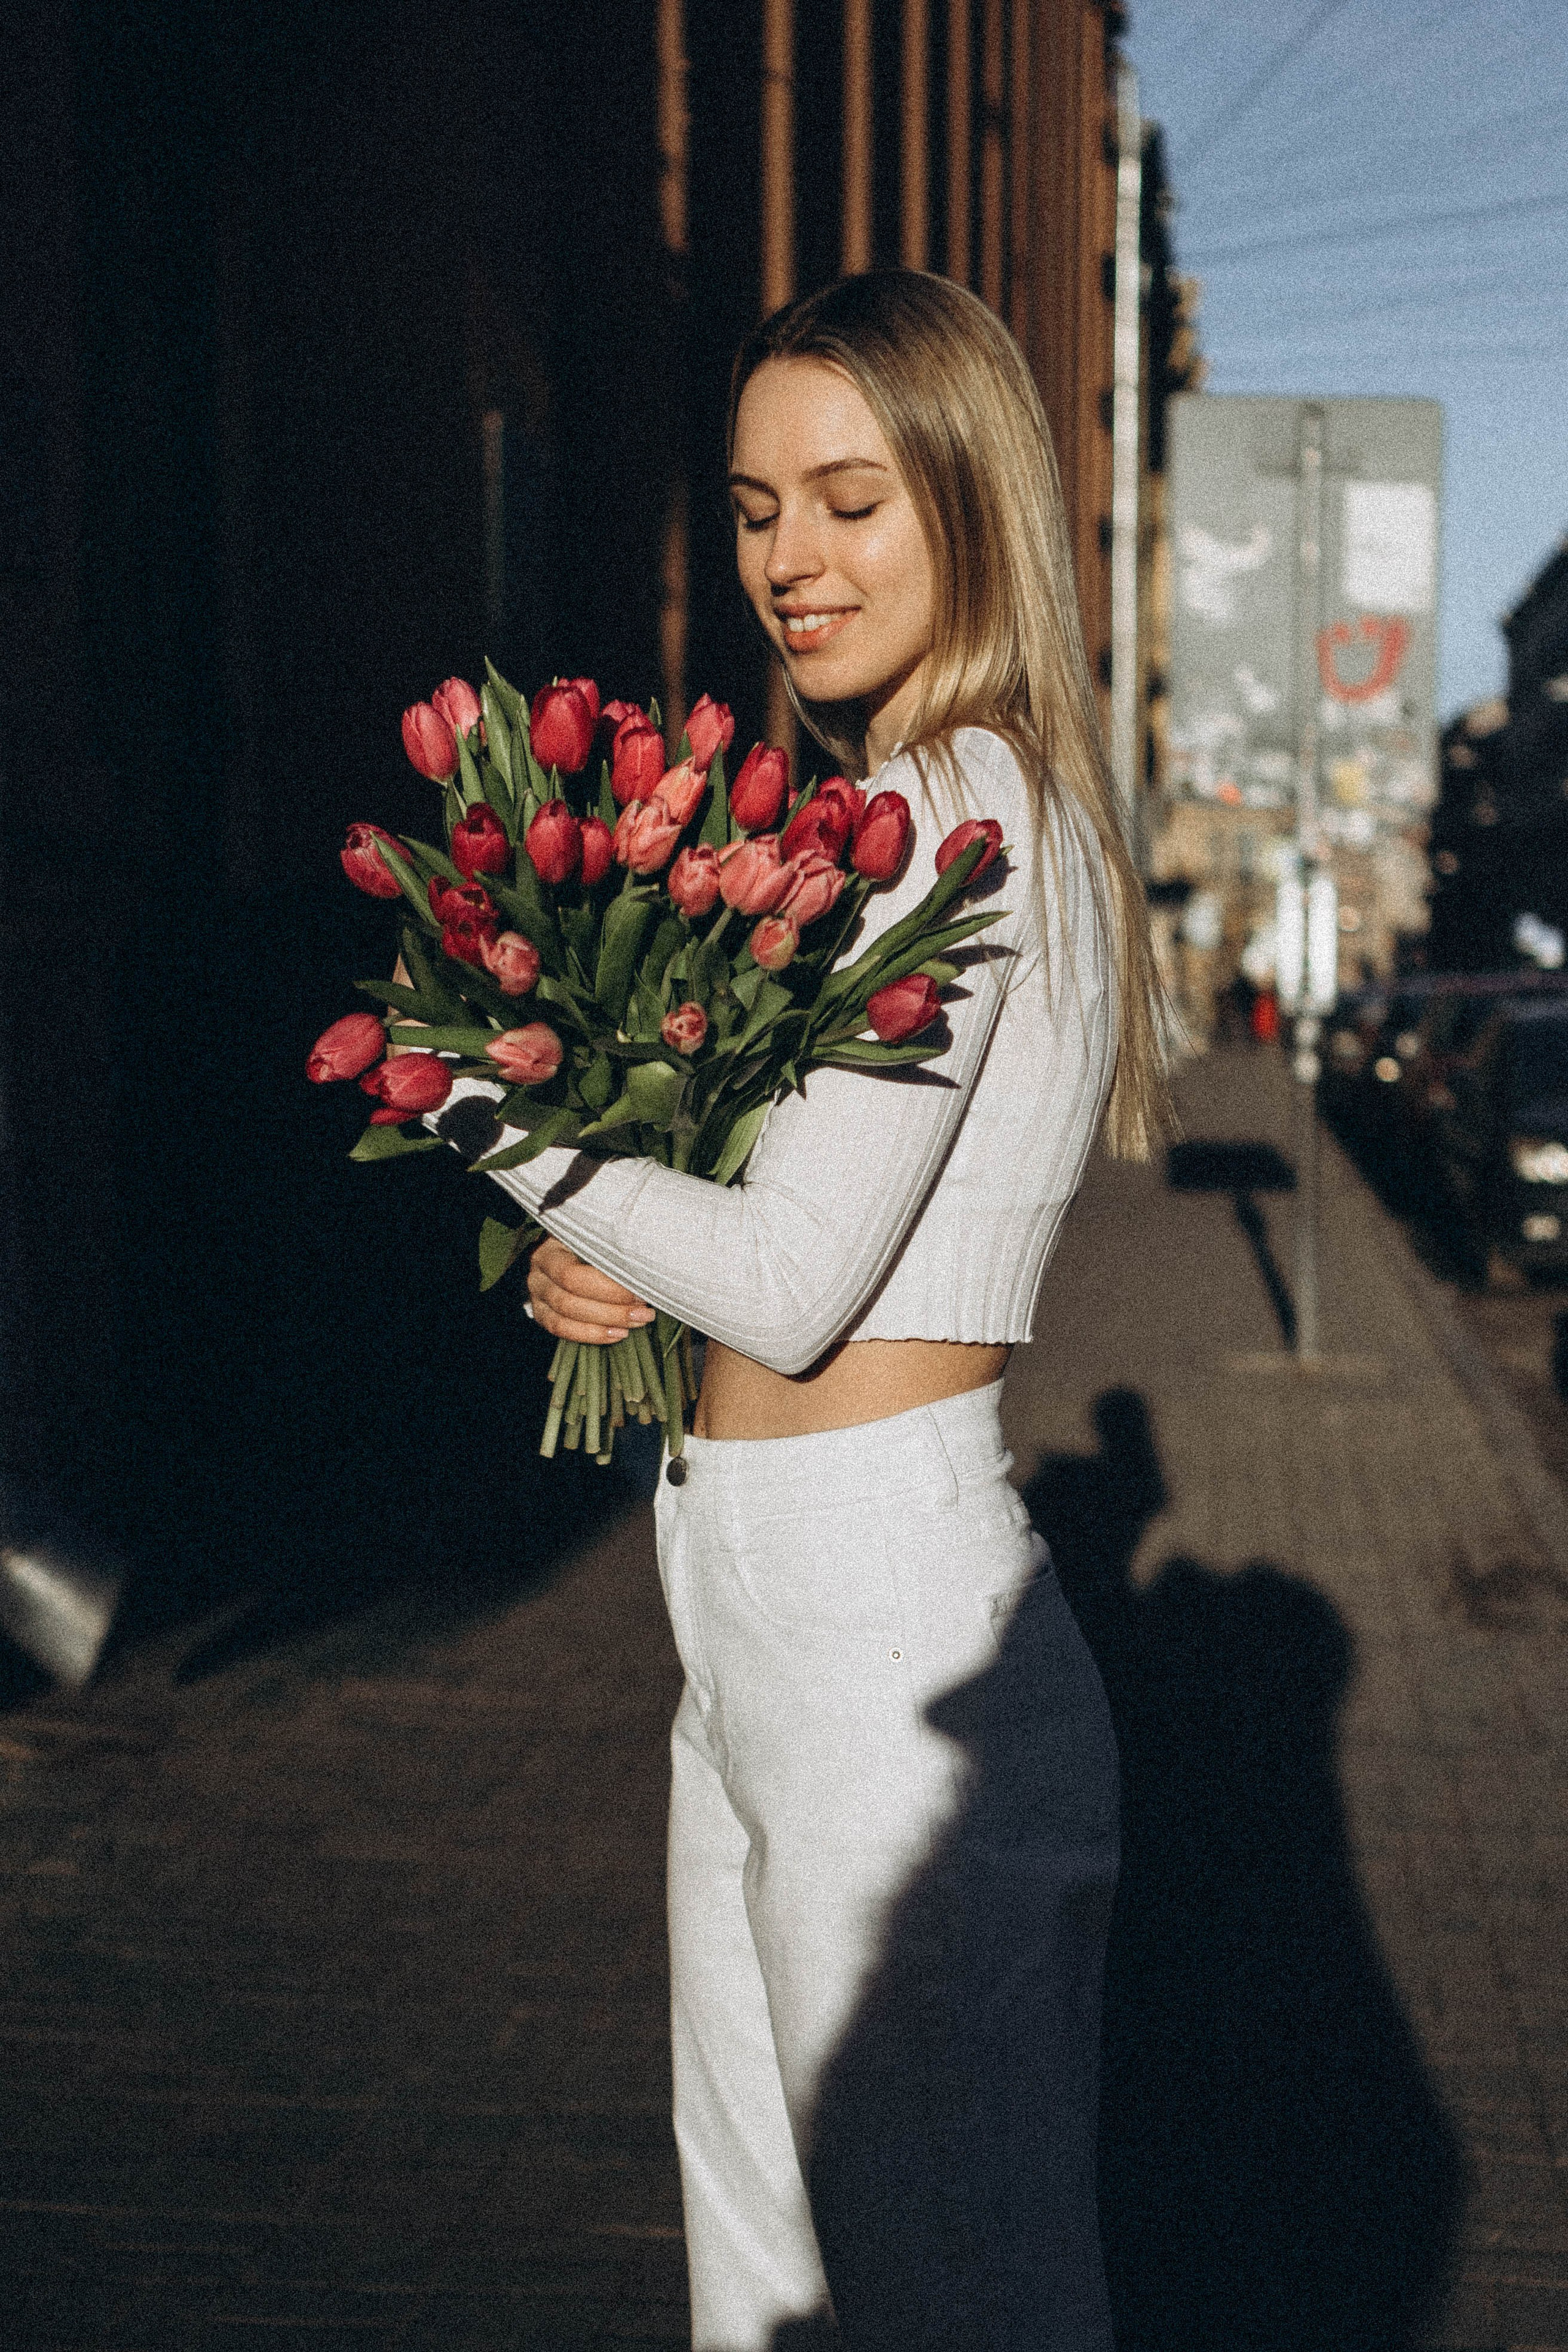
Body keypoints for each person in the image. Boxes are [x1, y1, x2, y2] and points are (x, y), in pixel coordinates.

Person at [439, 271, 1170, 2351]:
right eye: (760, 506)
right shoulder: (916, 815)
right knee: (771, 2287)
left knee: (941, 2302)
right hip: (764, 1607)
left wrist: (485, 1094)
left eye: (851, 498)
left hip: (878, 1633)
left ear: (968, 499)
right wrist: (622, 1257)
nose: (789, 559)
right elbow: (776, 1249)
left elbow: (799, 1274)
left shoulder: (960, 810)